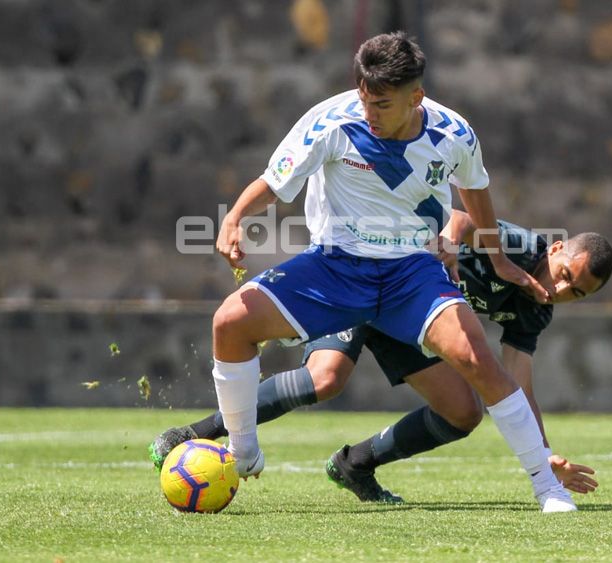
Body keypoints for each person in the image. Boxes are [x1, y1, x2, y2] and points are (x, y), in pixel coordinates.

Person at [200, 31, 577, 512]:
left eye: (380, 103)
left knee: (477, 360)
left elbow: (475, 191)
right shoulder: (332, 122)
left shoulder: (454, 134)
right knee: (229, 323)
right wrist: (234, 218)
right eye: (364, 98)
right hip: (337, 266)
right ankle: (242, 450)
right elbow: (274, 183)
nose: (368, 112)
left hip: (411, 272)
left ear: (415, 97)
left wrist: (497, 256)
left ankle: (547, 487)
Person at [152, 210, 612, 505]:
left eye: (575, 293)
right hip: (374, 281)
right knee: (326, 377)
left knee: (464, 411)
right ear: (556, 250)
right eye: (564, 274)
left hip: (407, 319)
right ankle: (194, 434)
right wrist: (450, 247)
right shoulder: (518, 246)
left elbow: (518, 382)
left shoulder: (536, 311)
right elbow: (462, 218)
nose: (559, 291)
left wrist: (544, 452)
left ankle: (355, 465)